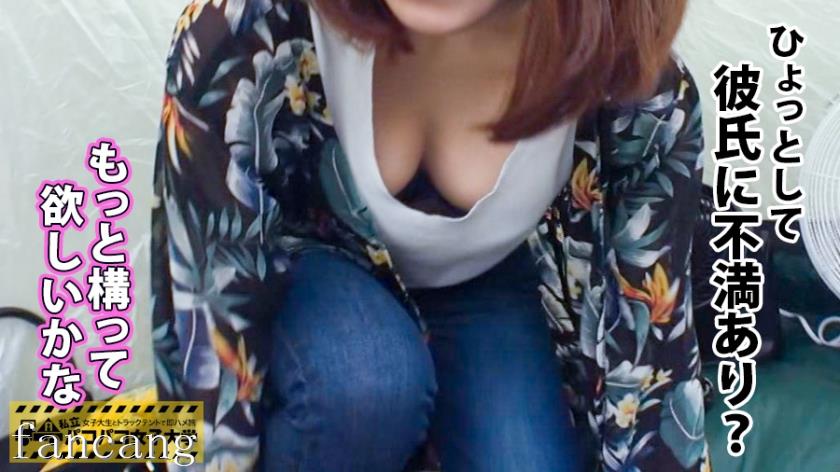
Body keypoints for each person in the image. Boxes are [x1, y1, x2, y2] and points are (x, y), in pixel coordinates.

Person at [150, 0, 711, 471]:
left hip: (482, 284)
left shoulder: (633, 81)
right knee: (365, 381)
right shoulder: (237, 31)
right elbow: (203, 324)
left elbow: (653, 355)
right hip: (301, 275)